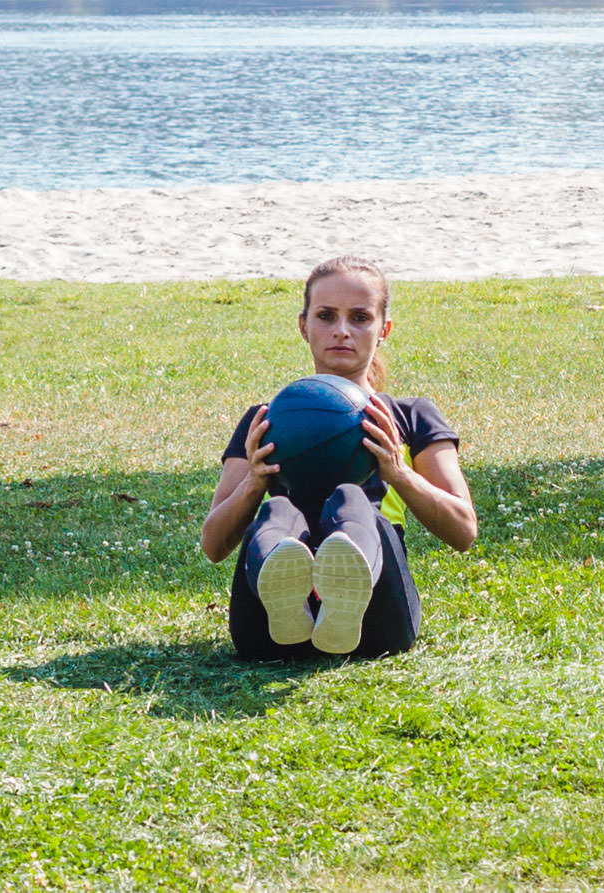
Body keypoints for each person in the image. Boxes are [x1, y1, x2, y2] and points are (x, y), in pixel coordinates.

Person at [201, 255, 477, 659]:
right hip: (270, 636)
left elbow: (463, 531)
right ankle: (290, 603)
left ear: (384, 329)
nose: (342, 331)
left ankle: (346, 593)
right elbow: (213, 545)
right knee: (277, 509)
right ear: (303, 325)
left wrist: (398, 473)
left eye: (360, 318)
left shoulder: (411, 416)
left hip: (375, 626)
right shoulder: (268, 420)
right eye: (326, 316)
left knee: (351, 500)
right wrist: (253, 483)